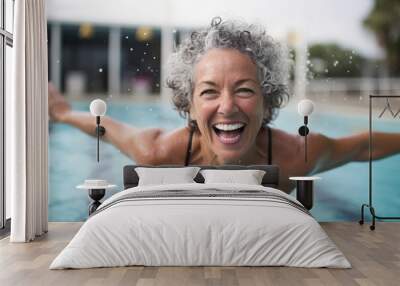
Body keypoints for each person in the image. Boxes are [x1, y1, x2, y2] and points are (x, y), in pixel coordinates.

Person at [48, 18, 400, 193]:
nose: (227, 106)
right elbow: (108, 127)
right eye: (209, 92)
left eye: (244, 90)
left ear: (269, 100)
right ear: (189, 105)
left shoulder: (295, 156)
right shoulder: (158, 153)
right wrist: (63, 114)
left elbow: (361, 145)